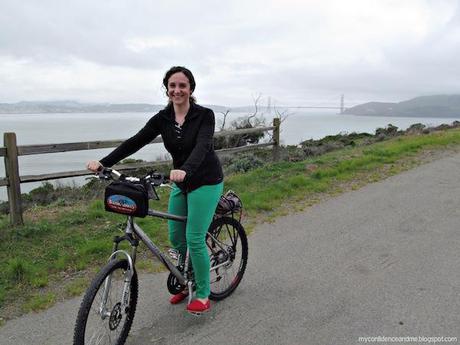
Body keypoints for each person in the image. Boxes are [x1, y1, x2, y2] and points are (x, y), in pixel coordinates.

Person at [86, 66, 224, 314]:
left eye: (182, 85)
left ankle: (202, 292)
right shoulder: (163, 118)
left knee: (193, 238)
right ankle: (186, 278)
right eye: (172, 86)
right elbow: (135, 142)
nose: (177, 90)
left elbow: (203, 146)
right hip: (181, 183)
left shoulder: (205, 115)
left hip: (206, 181)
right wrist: (105, 163)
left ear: (191, 88)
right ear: (167, 89)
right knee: (175, 237)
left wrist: (186, 169)